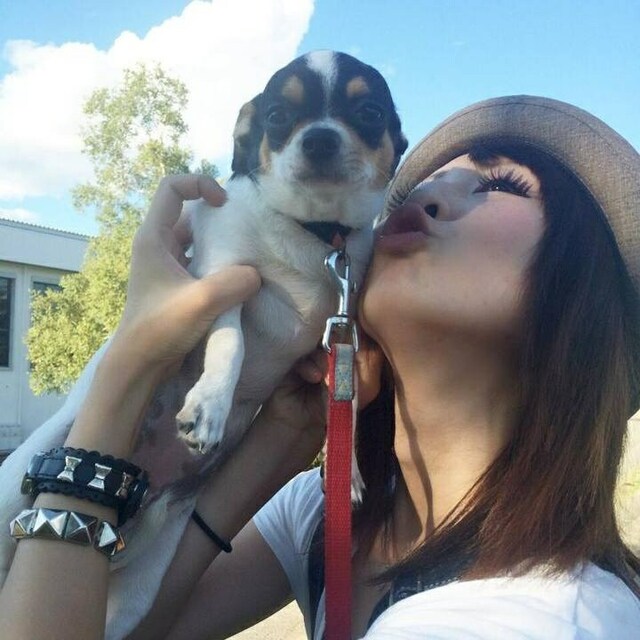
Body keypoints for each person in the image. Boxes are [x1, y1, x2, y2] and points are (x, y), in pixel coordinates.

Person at [0, 95, 639, 639]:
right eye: (423, 182)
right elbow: (123, 629)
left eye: (500, 185)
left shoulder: (532, 619)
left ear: (583, 297)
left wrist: (131, 367)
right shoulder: (325, 515)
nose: (429, 192)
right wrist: (282, 437)